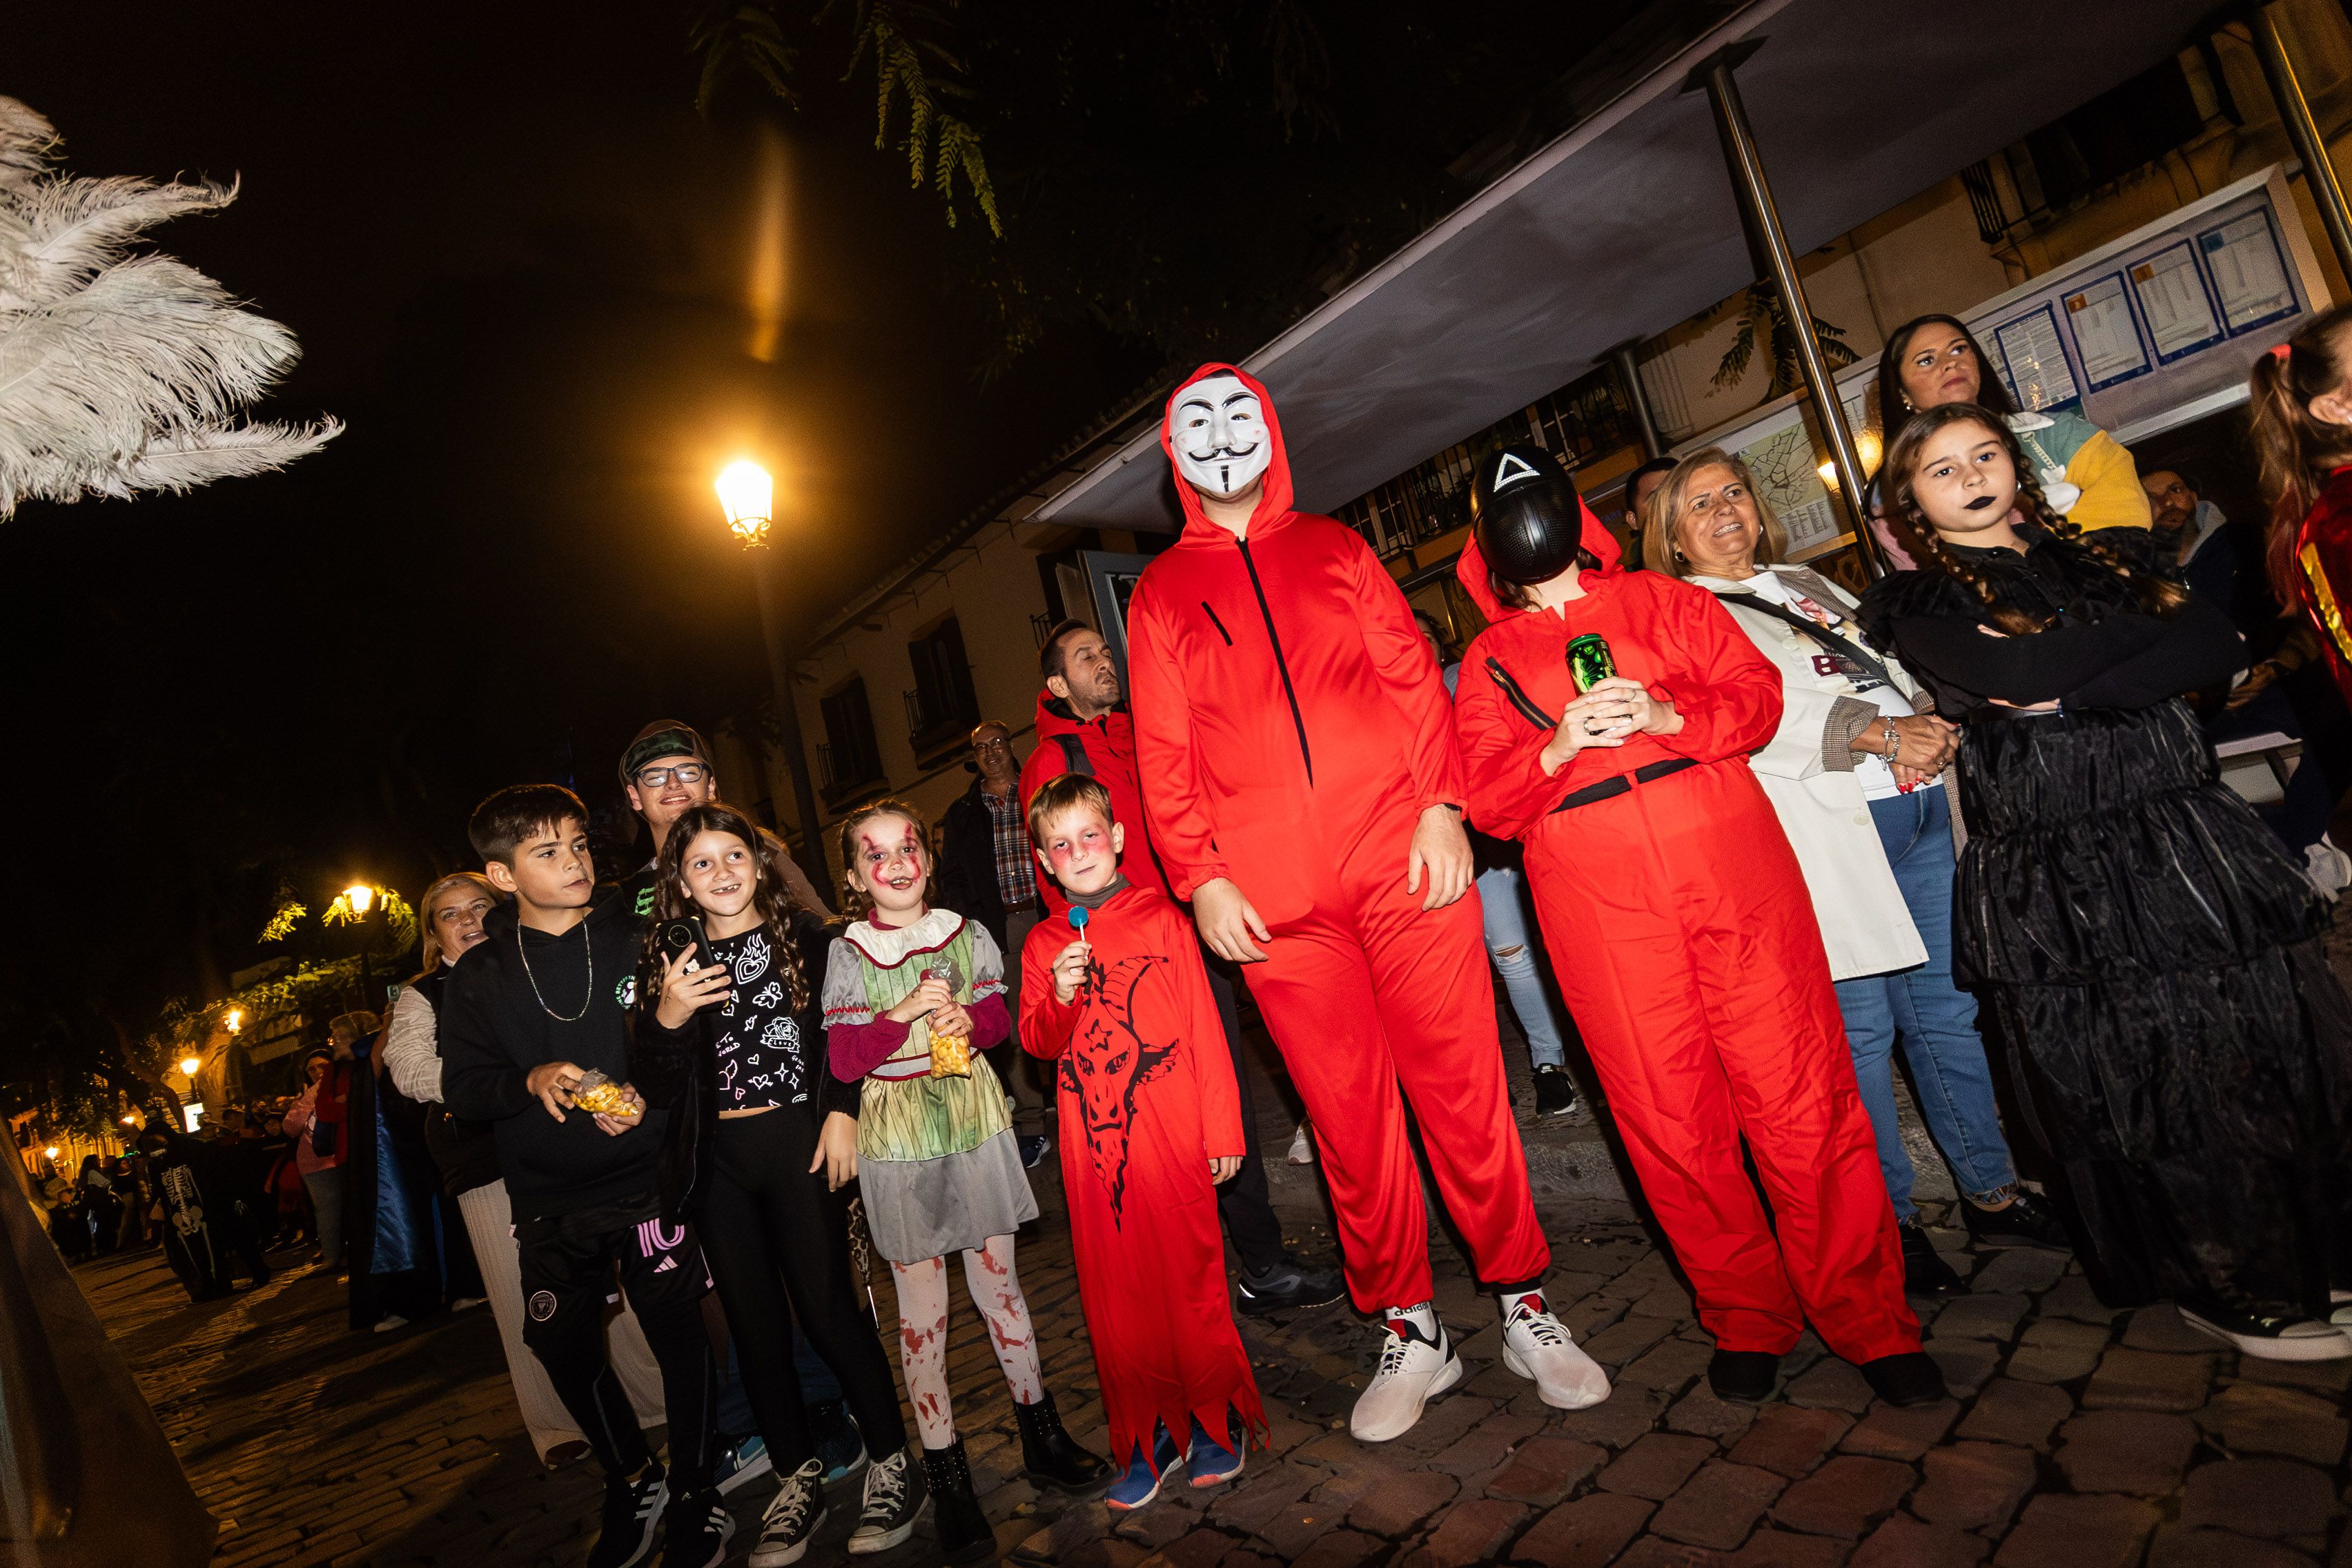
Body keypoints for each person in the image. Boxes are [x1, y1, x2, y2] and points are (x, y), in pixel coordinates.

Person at [1127, 364, 1607, 1442]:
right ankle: (1411, 1326)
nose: (1220, 437)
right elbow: (1163, 756)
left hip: (1409, 871)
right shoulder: (1160, 595)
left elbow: (1412, 678)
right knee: (1347, 1123)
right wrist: (1201, 875)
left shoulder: (1337, 549)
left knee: (1465, 1092)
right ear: (1174, 449)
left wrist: (1444, 806)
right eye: (1195, 423)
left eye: (1238, 415)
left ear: (1271, 433)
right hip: (1274, 913)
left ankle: (1526, 1306)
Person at [1858, 404, 2352, 1358]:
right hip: (2068, 869)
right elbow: (2013, 674)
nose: (1969, 476)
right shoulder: (1920, 604)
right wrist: (2117, 654)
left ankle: (2314, 1253)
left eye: (1985, 455)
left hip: (2185, 828)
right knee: (2158, 1071)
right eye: (1941, 470)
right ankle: (2225, 1278)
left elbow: (2215, 647)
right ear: (1911, 506)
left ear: (2016, 465)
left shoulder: (2104, 556)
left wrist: (2064, 689)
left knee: (2264, 1036)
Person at [1451, 442, 1939, 1407]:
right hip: (1598, 901)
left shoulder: (1668, 604)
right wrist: (1553, 749)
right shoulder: (1489, 659)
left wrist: (1668, 712)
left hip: (1730, 869)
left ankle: (1869, 1317)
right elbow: (1485, 800)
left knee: (1802, 1090)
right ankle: (1747, 1312)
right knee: (1669, 1118)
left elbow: (1755, 701)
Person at [1645, 447, 2070, 1295]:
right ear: (1672, 536)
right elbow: (1741, 716)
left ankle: (1990, 1194)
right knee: (1863, 1037)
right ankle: (1892, 1224)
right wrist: (1878, 736)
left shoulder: (1809, 581)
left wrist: (1928, 717)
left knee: (1948, 1012)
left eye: (1736, 490)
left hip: (1914, 812)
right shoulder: (1675, 614)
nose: (1726, 509)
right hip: (1827, 833)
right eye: (1700, 504)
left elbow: (1885, 664)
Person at [441, 785, 732, 1568]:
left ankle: (700, 1490)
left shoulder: (641, 935)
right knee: (559, 1340)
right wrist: (529, 1078)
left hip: (647, 1179)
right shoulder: (479, 975)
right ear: (502, 875)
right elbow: (464, 1087)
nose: (574, 862)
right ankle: (634, 1476)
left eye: (576, 842)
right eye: (547, 852)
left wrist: (648, 1101)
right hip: (549, 1197)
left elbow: (697, 1048)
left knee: (679, 1333)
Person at [631, 803, 930, 1565]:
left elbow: (845, 1031)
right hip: (717, 1162)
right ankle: (797, 1476)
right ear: (682, 883)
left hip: (801, 1142)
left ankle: (895, 1461)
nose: (722, 873)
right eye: (702, 863)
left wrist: (841, 1116)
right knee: (754, 1326)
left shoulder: (812, 937)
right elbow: (657, 1085)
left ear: (759, 864)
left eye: (734, 856)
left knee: (828, 1308)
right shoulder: (670, 959)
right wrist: (668, 1014)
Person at [1019, 618, 1346, 1311]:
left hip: (1187, 925)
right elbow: (1057, 889)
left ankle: (1255, 1262)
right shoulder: (1053, 762)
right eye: (1087, 657)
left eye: (1106, 652)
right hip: (1130, 966)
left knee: (1221, 1091)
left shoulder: (1138, 730)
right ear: (1057, 684)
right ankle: (1201, 1277)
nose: (1106, 662)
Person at [823, 798, 1108, 1560]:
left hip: (973, 1121)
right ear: (855, 876)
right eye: (875, 853)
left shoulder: (965, 933)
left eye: (907, 846)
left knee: (1002, 1289)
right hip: (900, 1135)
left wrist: (968, 1025)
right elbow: (846, 1061)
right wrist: (904, 1014)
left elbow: (999, 1020)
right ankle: (948, 1478)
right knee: (923, 1318)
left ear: (927, 855)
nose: (895, 863)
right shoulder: (848, 953)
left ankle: (1042, 1435)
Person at [609, 718, 851, 1493]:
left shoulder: (763, 858)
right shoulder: (623, 902)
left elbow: (827, 945)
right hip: (691, 1124)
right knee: (724, 1289)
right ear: (633, 797)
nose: (676, 787)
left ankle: (827, 1409)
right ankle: (754, 1422)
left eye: (690, 773)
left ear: (713, 787)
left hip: (785, 1118)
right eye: (658, 777)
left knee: (806, 1279)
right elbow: (628, 1008)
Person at [1019, 774, 1263, 1511]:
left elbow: (1204, 1027)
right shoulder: (1042, 941)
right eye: (1060, 845)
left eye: (1090, 835)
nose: (1079, 852)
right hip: (1094, 1154)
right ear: (1044, 861)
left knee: (1189, 1277)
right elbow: (1036, 1042)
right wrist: (1059, 995)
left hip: (1172, 1134)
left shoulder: (1162, 918)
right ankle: (1147, 1429)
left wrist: (1221, 1127)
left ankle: (1214, 1419)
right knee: (1117, 1294)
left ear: (1118, 838)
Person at [382, 870, 667, 1467]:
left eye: (478, 907)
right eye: (450, 915)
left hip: (572, 1150)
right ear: (434, 936)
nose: (467, 921)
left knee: (619, 1293)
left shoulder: (536, 963)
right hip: (485, 1159)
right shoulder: (425, 993)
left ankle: (652, 1399)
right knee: (530, 1305)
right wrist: (502, 1080)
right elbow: (409, 1072)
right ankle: (557, 1425)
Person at [1415, 609, 1582, 1117]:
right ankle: (1498, 1076)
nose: (1414, 647)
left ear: (1440, 645)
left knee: (1530, 950)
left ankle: (1553, 1062)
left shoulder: (1462, 678)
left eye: (1423, 636)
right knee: (1480, 963)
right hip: (1436, 848)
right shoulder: (1383, 700)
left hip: (1499, 836)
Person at [1869, 314, 2150, 567]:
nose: (1950, 363)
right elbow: (1929, 581)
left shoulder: (2057, 433)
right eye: (1927, 360)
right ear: (1902, 392)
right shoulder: (1889, 494)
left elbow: (2128, 520)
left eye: (1959, 349)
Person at [937, 719, 1052, 1167]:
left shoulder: (1039, 790)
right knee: (1015, 1029)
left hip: (1048, 917)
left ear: (1010, 746)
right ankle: (1030, 1125)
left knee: (1069, 1010)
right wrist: (967, 925)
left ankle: (1082, 1100)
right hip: (999, 929)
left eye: (997, 743)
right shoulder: (963, 812)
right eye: (981, 747)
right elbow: (955, 877)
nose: (991, 752)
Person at [282, 1046, 350, 1270]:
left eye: (322, 1066)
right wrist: (314, 1094)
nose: (317, 1072)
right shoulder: (307, 1097)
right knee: (327, 1209)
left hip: (346, 1152)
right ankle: (332, 1256)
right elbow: (291, 1127)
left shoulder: (346, 1082)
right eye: (311, 1069)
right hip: (316, 1161)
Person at [1618, 455, 1678, 571]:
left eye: (1677, 494)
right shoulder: (1636, 587)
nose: (1671, 505)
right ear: (1632, 519)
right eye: (1656, 499)